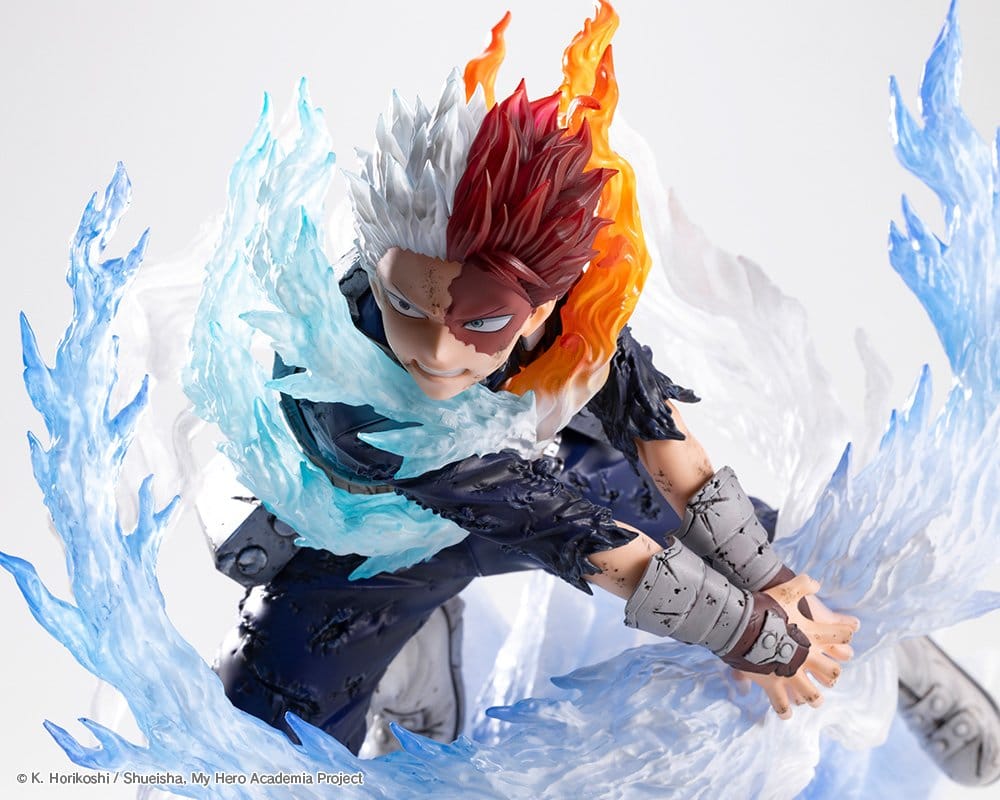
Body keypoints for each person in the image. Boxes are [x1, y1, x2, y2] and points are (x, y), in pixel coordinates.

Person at [207, 3, 998, 786]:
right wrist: (757, 637)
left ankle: (879, 637)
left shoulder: (573, 311)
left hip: (548, 476)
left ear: (544, 306)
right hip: (368, 552)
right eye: (405, 303)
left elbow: (660, 438)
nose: (437, 351)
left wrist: (775, 591)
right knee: (261, 758)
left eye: (481, 319)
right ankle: (413, 668)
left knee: (787, 558)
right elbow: (575, 536)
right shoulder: (347, 386)